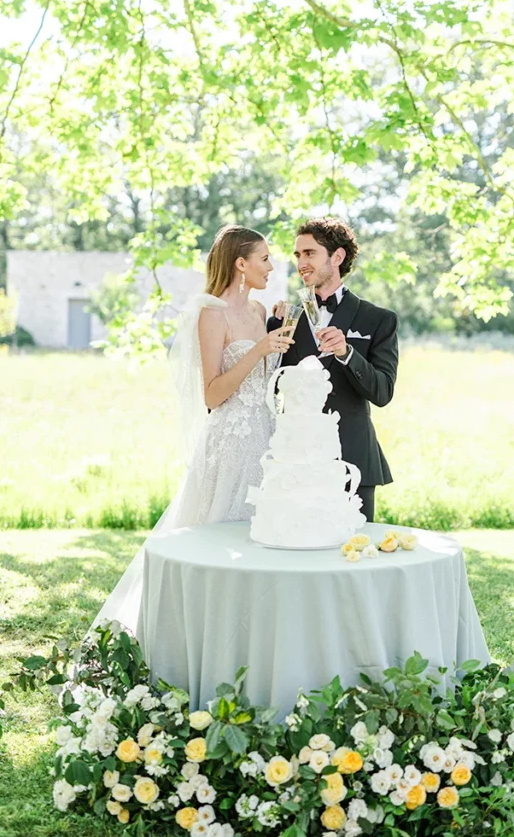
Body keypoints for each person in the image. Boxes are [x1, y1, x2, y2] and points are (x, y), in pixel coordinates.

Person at [93, 225, 293, 631]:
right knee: (218, 541)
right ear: (241, 264)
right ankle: (200, 627)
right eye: (265, 259)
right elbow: (213, 394)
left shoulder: (257, 312)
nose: (272, 267)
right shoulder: (210, 314)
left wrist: (275, 332)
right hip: (231, 442)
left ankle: (255, 629)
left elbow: (264, 379)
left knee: (263, 540)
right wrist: (259, 349)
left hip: (268, 438)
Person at [270, 217, 398, 522]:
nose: (301, 263)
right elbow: (272, 387)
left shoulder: (378, 320)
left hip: (352, 459)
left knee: (354, 553)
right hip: (296, 461)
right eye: (297, 255)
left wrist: (347, 353)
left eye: (310, 253)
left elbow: (382, 392)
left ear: (337, 257)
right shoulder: (283, 319)